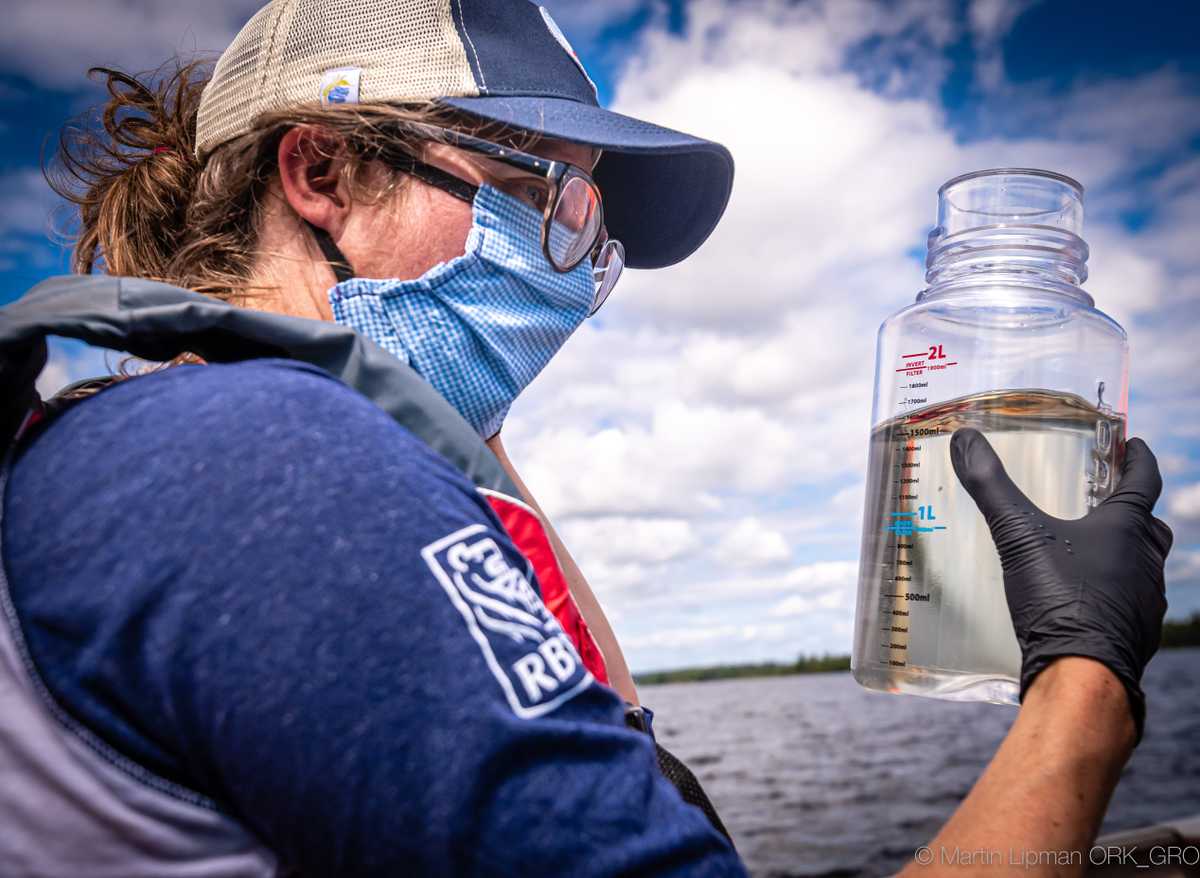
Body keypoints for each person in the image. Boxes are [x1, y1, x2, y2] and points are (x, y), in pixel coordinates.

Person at [0, 1, 1172, 875]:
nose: (575, 278)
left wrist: (458, 419)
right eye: (545, 199)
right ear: (324, 169)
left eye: (590, 230)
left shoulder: (168, 433)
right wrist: (1086, 680)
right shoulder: (272, 465)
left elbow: (606, 738)